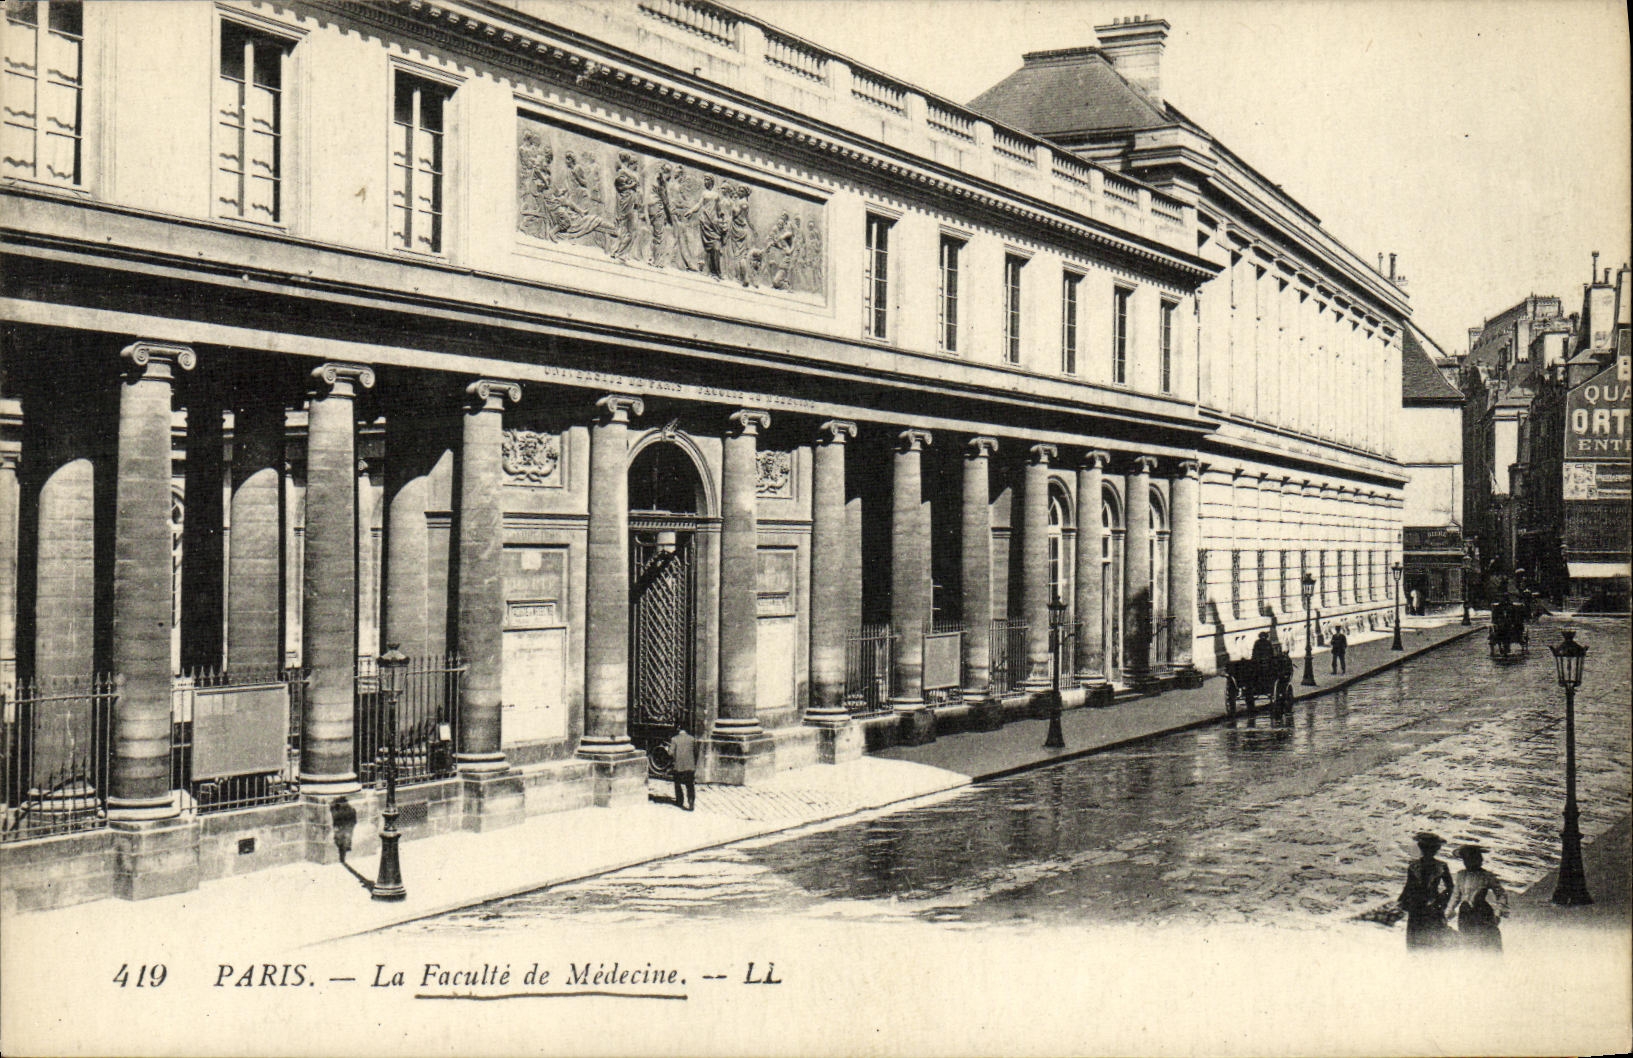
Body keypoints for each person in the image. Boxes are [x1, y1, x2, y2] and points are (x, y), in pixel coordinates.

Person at [1446, 844, 1508, 952]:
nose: (1467, 862)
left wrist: (1497, 913)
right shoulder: (1461, 875)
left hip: (1482, 912)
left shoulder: (1486, 875)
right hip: (1465, 914)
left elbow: (1501, 894)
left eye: (1470, 858)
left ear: (1478, 859)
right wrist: (1447, 913)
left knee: (1485, 943)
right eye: (1465, 859)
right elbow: (1455, 896)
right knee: (1468, 944)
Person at [1398, 832, 1453, 950]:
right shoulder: (1414, 866)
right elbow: (1409, 886)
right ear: (1421, 848)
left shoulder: (1441, 866)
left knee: (1432, 939)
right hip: (1416, 906)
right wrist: (1402, 901)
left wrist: (1441, 901)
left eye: (1431, 848)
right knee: (1416, 939)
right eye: (1425, 847)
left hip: (1432, 906)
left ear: (1436, 849)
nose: (1428, 851)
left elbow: (1450, 888)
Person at [668, 727, 697, 812]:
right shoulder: (692, 739)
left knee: (677, 784)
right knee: (690, 785)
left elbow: (670, 753)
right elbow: (696, 752)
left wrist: (667, 749)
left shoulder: (674, 739)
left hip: (678, 767)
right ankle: (691, 802)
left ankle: (680, 801)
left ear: (678, 730)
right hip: (690, 766)